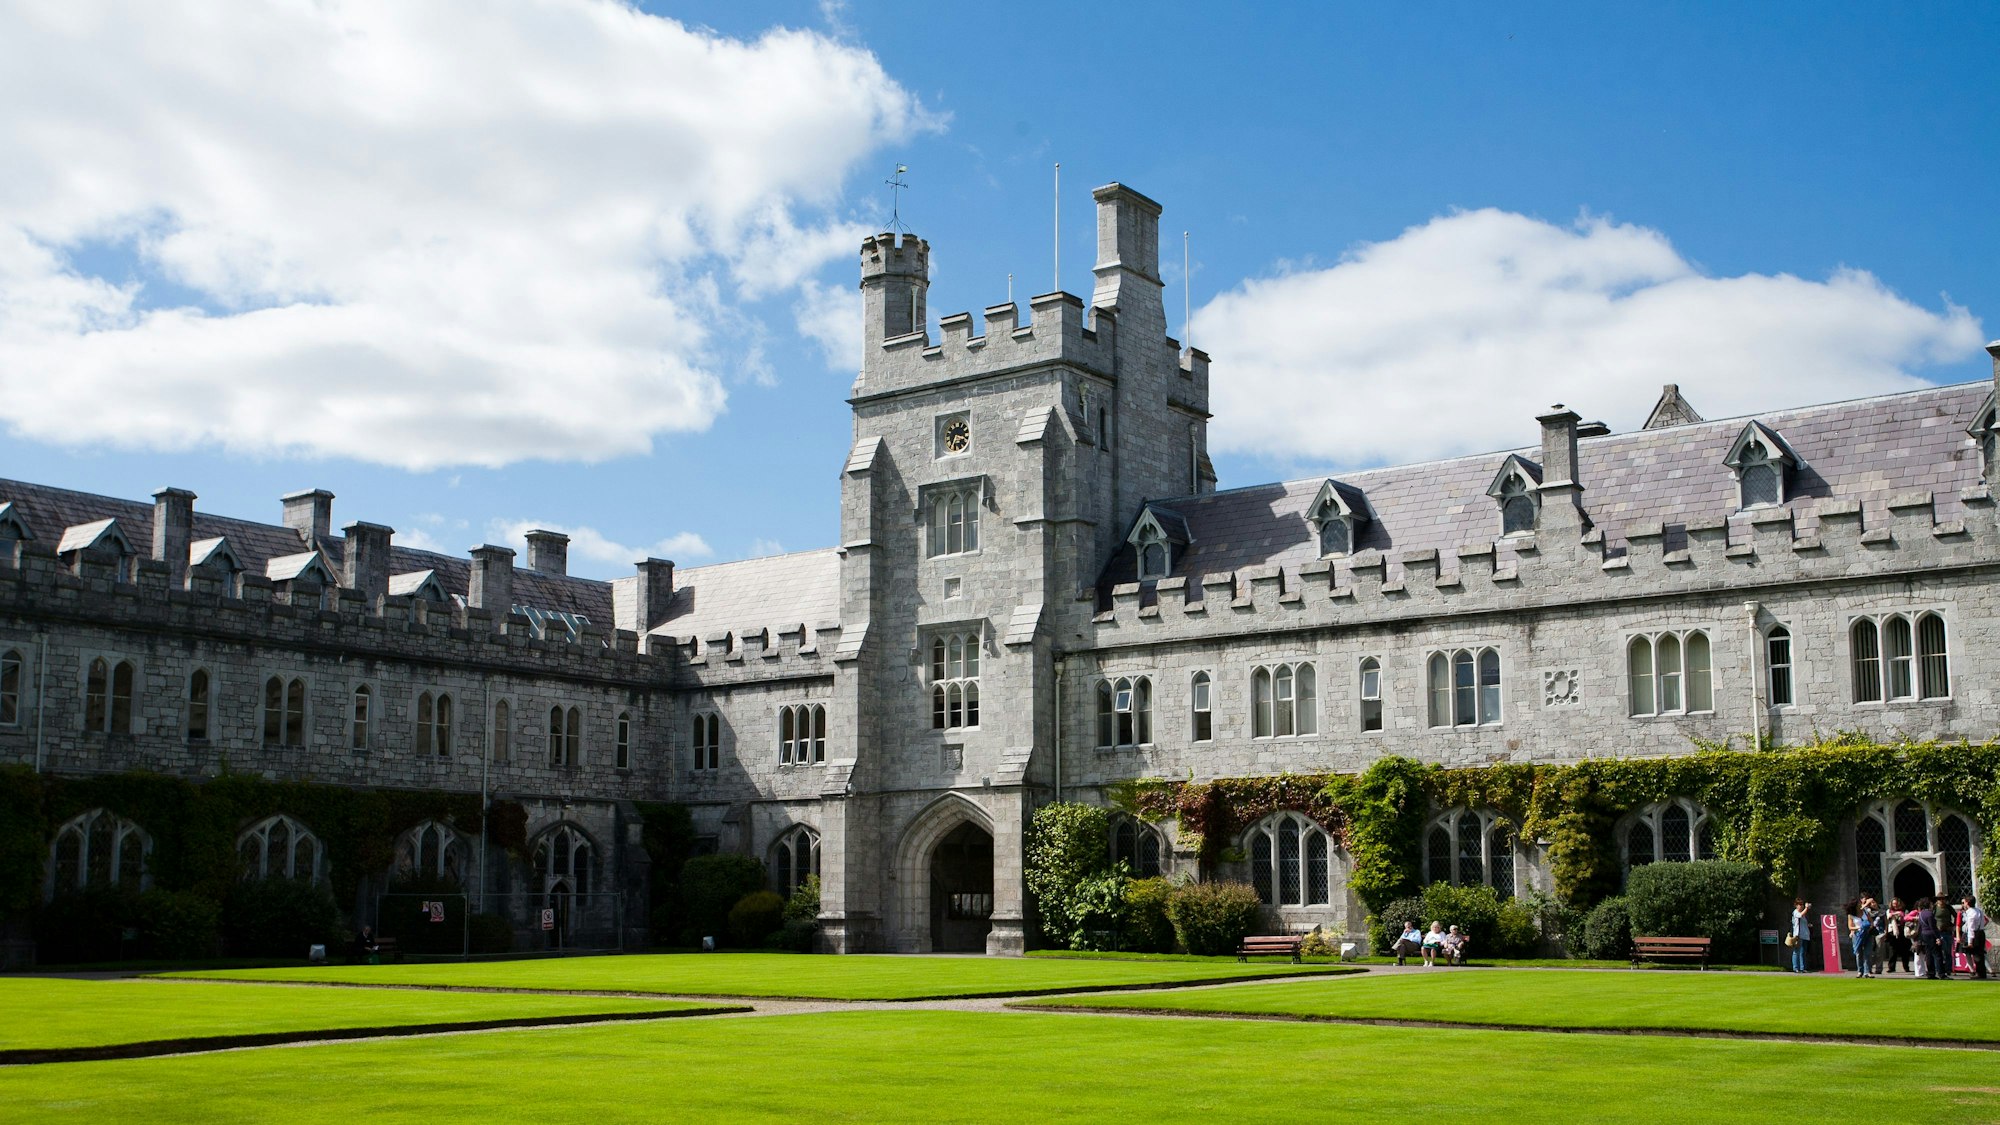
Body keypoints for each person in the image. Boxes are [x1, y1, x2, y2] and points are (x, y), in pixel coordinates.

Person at [1961, 895, 1989, 981]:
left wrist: (1970, 941)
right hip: (1981, 932)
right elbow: (1983, 922)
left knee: (1976, 954)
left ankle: (1979, 973)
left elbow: (1971, 928)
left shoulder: (1971, 913)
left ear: (1968, 903)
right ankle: (1982, 972)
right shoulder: (1978, 910)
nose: (1964, 904)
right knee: (1980, 953)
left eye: (1965, 902)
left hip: (1976, 934)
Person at [1845, 899, 1875, 977]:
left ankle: (1867, 972)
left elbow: (1871, 921)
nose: (1861, 905)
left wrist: (1870, 926)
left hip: (1867, 934)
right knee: (1858, 953)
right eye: (1859, 903)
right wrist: (1859, 927)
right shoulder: (1851, 915)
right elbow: (1850, 927)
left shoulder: (1865, 911)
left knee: (1867, 953)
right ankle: (1860, 971)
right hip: (1857, 935)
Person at [1914, 897, 1941, 979]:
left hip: (1924, 935)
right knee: (1937, 954)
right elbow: (1933, 927)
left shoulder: (1921, 913)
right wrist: (1937, 937)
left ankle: (1930, 973)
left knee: (1929, 954)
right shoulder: (1929, 914)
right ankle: (1941, 973)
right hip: (1930, 935)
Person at [1881, 898, 1910, 975]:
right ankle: (1891, 967)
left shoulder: (1904, 911)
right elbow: (1887, 919)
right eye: (1894, 903)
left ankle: (1906, 967)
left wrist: (1899, 914)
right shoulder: (1889, 911)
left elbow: (1906, 918)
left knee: (1905, 950)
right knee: (1892, 950)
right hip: (1892, 932)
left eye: (1897, 903)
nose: (1895, 905)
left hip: (1902, 931)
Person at [1788, 898, 1813, 973]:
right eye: (1799, 905)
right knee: (1796, 951)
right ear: (1796, 905)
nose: (1801, 906)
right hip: (1798, 935)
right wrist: (1806, 908)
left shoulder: (1803, 914)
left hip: (1804, 935)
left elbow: (1803, 922)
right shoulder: (1795, 912)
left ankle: (1802, 967)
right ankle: (1795, 967)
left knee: (1803, 952)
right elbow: (1800, 915)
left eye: (1802, 905)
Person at [1935, 897, 1958, 978]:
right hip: (1938, 932)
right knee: (1939, 951)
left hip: (1947, 931)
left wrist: (1954, 926)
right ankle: (1939, 969)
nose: (1942, 901)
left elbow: (1956, 916)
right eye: (1940, 899)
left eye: (1943, 899)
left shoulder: (1948, 907)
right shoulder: (1935, 907)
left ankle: (1948, 969)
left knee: (1948, 952)